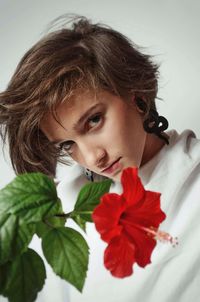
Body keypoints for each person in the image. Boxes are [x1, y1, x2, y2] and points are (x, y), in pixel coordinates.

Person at [0, 14, 200, 302]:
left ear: (136, 94)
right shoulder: (65, 207)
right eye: (68, 144)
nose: (93, 157)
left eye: (94, 121)